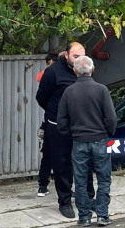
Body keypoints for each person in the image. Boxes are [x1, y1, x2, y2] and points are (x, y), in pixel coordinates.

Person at [57, 56, 117, 227]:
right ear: (93, 69)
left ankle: (84, 217)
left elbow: (61, 122)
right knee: (104, 179)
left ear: (75, 71)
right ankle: (102, 215)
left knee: (81, 180)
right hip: (100, 139)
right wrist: (108, 133)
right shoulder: (102, 90)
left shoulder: (69, 92)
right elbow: (111, 118)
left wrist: (72, 134)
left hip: (79, 141)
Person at [36, 42, 94, 218]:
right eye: (75, 56)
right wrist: (57, 113)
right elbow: (41, 98)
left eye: (82, 56)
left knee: (85, 163)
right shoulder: (52, 72)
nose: (79, 60)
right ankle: (65, 201)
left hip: (81, 125)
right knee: (62, 165)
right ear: (67, 55)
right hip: (57, 126)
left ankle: (89, 200)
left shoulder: (86, 68)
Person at [36, 52, 58, 197]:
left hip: (50, 119)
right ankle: (43, 185)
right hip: (50, 120)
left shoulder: (51, 74)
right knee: (49, 154)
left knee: (49, 155)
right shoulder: (48, 75)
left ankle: (43, 186)